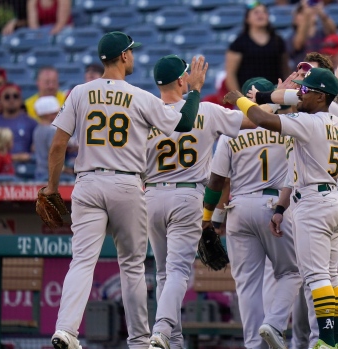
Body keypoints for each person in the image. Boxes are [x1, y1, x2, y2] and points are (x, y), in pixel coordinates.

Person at [45, 31, 208, 349]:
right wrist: (196, 91)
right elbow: (185, 123)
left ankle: (66, 329)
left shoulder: (80, 92)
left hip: (88, 181)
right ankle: (138, 341)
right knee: (132, 266)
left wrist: (52, 187)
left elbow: (58, 146)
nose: (133, 56)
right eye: (131, 52)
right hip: (126, 182)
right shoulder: (140, 96)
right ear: (123, 56)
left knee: (81, 261)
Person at [224, 67, 338, 349]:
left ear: (321, 97)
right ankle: (335, 341)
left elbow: (260, 117)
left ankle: (326, 340)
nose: (301, 94)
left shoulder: (309, 122)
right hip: (333, 198)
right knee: (331, 276)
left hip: (312, 201)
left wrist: (240, 99)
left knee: (316, 276)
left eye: (307, 91)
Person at [144, 55, 254, 349]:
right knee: (178, 270)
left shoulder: (145, 111)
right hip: (188, 194)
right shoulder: (204, 109)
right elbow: (251, 122)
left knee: (163, 272)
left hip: (152, 194)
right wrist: (265, 102)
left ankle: (172, 340)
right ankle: (163, 330)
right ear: (182, 80)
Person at [204, 78, 302, 349]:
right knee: (291, 272)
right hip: (275, 206)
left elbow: (218, 180)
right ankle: (274, 324)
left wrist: (213, 219)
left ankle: (253, 344)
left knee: (247, 284)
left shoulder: (232, 130)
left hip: (239, 207)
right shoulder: (285, 124)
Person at [225, 1, 288, 92]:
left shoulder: (278, 41)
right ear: (247, 19)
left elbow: (285, 69)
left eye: (264, 12)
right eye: (256, 12)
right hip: (249, 97)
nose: (260, 15)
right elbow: (231, 74)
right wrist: (239, 99)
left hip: (275, 95)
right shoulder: (239, 43)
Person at [0, 83, 38, 163]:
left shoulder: (31, 123)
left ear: (21, 99)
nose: (11, 99)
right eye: (7, 97)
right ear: (0, 100)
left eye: (15, 96)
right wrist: (13, 157)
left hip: (25, 166)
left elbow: (36, 150)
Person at [32, 95, 62, 181]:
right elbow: (55, 151)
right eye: (56, 113)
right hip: (50, 174)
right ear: (49, 114)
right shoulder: (51, 131)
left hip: (39, 171)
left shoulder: (37, 129)